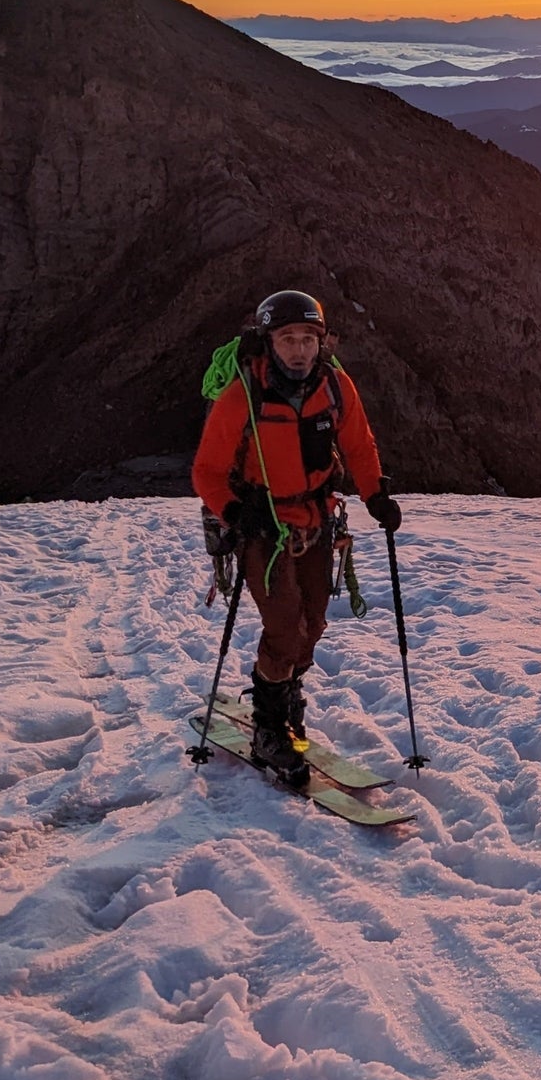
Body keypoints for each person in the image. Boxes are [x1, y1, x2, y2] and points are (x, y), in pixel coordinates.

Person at [192, 289, 401, 780]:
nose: (300, 349)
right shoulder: (243, 394)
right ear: (269, 342)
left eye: (309, 338)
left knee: (314, 623)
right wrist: (234, 512)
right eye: (289, 339)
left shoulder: (335, 386)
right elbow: (207, 470)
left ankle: (284, 696)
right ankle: (269, 726)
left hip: (316, 520)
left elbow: (358, 443)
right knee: (285, 626)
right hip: (260, 525)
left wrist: (375, 496)